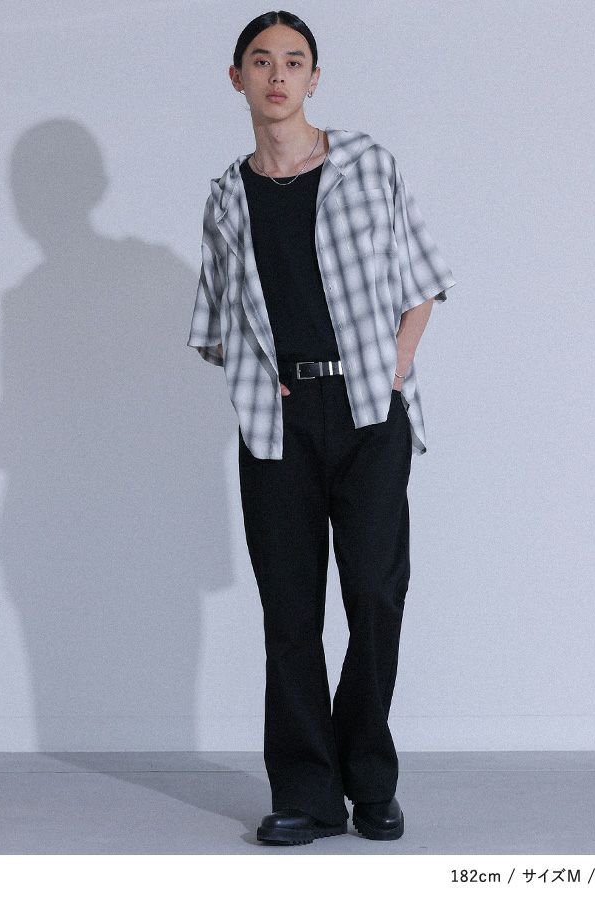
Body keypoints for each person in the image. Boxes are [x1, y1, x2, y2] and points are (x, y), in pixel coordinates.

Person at [187, 10, 456, 845]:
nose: (278, 75)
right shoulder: (226, 197)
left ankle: (368, 777)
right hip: (278, 425)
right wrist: (261, 376)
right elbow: (215, 324)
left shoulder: (367, 164)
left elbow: (422, 282)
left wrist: (394, 370)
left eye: (294, 61)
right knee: (290, 611)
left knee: (374, 594)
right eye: (261, 60)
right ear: (237, 78)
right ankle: (306, 792)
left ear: (313, 78)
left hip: (369, 410)